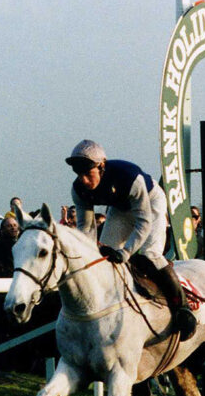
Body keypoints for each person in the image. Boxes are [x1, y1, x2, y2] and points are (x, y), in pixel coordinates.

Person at [67, 139, 196, 340]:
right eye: (79, 174)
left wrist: (126, 252)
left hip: (150, 202)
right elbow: (86, 229)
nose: (83, 180)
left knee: (149, 254)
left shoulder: (128, 177)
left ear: (101, 166)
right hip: (120, 209)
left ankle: (183, 308)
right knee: (104, 256)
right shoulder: (78, 190)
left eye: (87, 173)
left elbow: (143, 222)